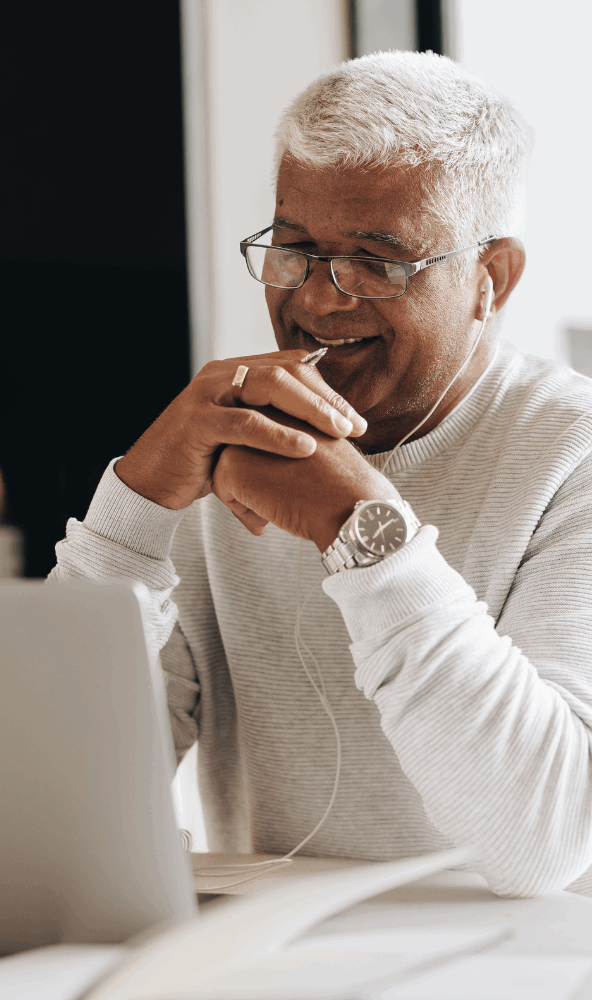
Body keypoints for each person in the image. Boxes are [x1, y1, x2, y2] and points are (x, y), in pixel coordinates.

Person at [50, 51, 592, 898]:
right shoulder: (228, 438)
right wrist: (133, 510)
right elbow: (58, 802)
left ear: (493, 279)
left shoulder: (577, 455)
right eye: (295, 250)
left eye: (378, 262)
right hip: (269, 962)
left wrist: (366, 532)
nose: (319, 300)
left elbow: (543, 845)